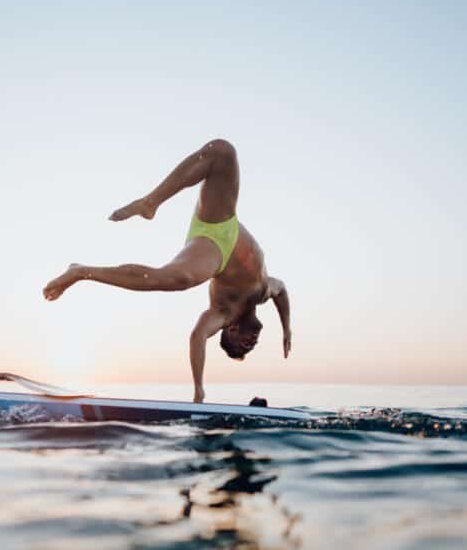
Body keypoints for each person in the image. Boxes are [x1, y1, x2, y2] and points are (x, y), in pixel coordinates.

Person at [43, 139, 292, 402]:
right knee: (223, 152)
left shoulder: (224, 313)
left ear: (230, 330)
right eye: (251, 346)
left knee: (175, 278)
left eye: (244, 345)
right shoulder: (265, 291)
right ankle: (150, 203)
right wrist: (287, 329)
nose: (252, 343)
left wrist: (199, 389)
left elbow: (198, 337)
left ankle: (82, 271)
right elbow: (282, 290)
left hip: (213, 247)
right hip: (225, 225)